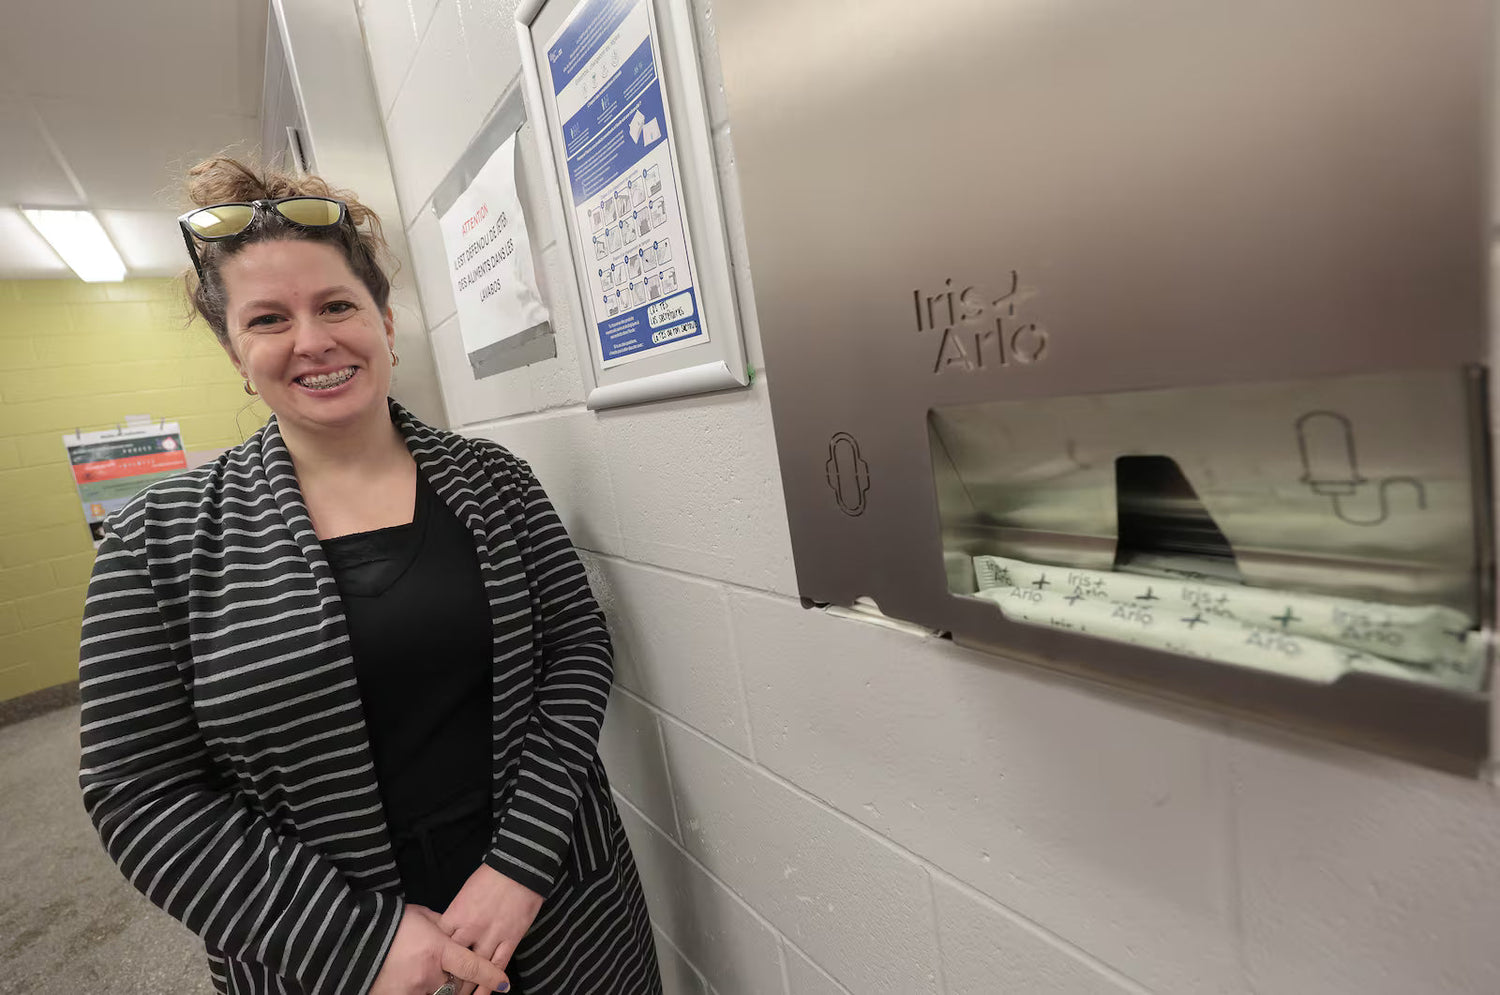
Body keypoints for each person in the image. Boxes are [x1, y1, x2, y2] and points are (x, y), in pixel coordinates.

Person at [77, 156, 662, 995]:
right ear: (235, 352)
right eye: (269, 319)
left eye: (337, 305)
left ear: (385, 320)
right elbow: (139, 791)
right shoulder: (157, 544)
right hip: (330, 963)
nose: (312, 340)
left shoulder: (494, 481)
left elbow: (576, 649)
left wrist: (522, 867)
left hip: (562, 914)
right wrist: (364, 944)